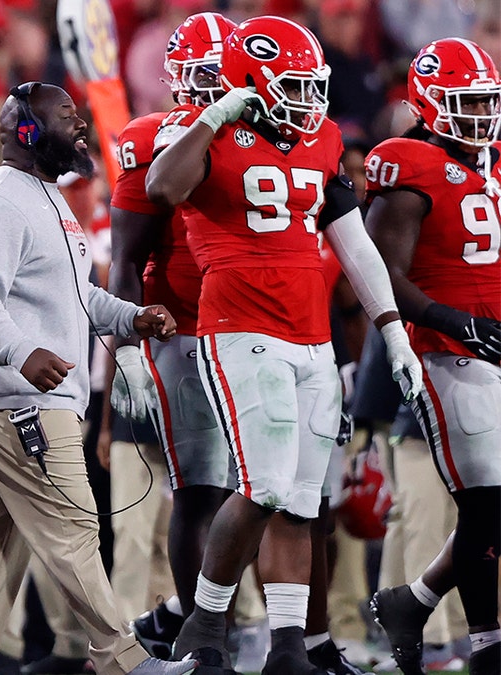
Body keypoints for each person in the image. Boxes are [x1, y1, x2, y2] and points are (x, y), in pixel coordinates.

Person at [144, 15, 422, 674]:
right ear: (248, 83)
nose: (308, 100)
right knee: (263, 485)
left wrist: (392, 330)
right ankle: (204, 627)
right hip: (241, 327)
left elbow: (354, 244)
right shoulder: (204, 130)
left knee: (301, 497)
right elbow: (163, 187)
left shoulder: (321, 137)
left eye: (310, 85)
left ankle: (289, 646)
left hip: (312, 335)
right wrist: (215, 114)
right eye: (292, 85)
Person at [0, 79, 186, 675]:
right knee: (71, 525)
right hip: (13, 394)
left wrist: (131, 316)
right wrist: (20, 353)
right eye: (65, 115)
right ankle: (125, 659)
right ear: (25, 131)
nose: (79, 126)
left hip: (10, 393)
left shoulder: (43, 196)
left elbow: (74, 296)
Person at [363, 37, 501, 675]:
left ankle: (412, 604)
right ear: (427, 102)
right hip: (448, 353)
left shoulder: (492, 162)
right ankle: (484, 644)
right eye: (464, 102)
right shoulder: (407, 161)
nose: (478, 115)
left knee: (490, 508)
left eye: (486, 102)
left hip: (490, 340)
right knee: (487, 506)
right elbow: (379, 271)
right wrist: (454, 321)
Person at [107, 11, 237, 656]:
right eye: (204, 73)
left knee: (266, 491)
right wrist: (127, 350)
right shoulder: (153, 137)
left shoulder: (271, 135)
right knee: (202, 488)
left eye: (225, 72)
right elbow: (126, 258)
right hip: (182, 329)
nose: (213, 86)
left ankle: (194, 621)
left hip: (258, 327)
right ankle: (199, 631)